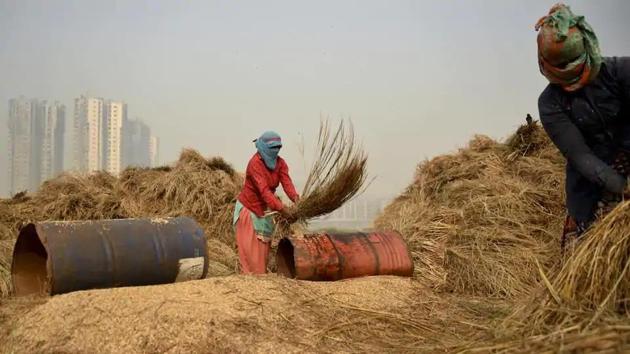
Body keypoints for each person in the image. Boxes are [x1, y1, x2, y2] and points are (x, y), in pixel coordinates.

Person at [536, 4, 630, 246]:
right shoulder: (550, 104)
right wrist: (623, 187)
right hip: (590, 180)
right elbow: (580, 156)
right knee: (580, 253)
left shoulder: (621, 71)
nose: (573, 84)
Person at [233, 131, 299, 274]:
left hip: (264, 212)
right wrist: (282, 209)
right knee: (252, 259)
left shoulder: (280, 163)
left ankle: (259, 285)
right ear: (262, 147)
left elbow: (287, 183)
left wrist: (296, 199)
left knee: (262, 256)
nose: (276, 151)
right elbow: (264, 191)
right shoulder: (254, 164)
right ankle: (252, 288)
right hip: (249, 212)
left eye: (278, 147)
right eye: (272, 148)